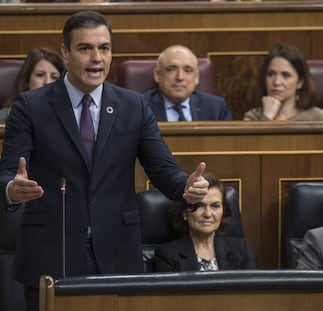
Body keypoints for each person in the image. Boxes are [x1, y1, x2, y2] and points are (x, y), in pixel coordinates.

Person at [0, 11, 209, 311]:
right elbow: (7, 172)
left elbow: (164, 171)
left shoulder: (133, 105)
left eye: (104, 48)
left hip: (117, 254)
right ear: (66, 53)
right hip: (52, 254)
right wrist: (12, 189)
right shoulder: (31, 106)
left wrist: (186, 188)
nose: (96, 57)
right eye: (85, 48)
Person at [154, 173, 255, 272]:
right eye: (199, 206)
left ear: (223, 211)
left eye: (215, 206)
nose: (207, 214)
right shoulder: (167, 255)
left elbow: (251, 288)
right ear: (184, 212)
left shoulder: (241, 250)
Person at [142, 45, 232, 122]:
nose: (180, 77)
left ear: (196, 77)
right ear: (157, 75)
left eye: (187, 70)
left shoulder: (216, 108)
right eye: (171, 69)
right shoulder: (139, 109)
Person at [243, 43, 323, 121]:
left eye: (286, 75)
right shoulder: (253, 117)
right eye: (271, 74)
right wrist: (267, 116)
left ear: (300, 82)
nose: (276, 82)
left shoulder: (319, 118)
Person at [0, 47, 65, 123]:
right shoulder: (8, 114)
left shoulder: (71, 113)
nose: (47, 82)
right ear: (27, 81)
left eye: (54, 77)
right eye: (40, 75)